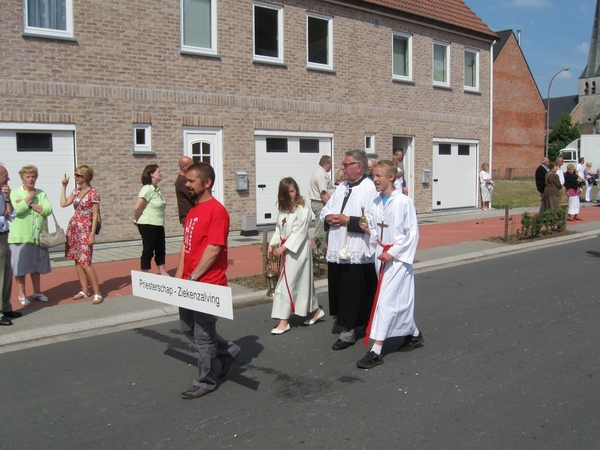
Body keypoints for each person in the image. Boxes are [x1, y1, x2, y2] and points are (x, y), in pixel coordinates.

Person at [175, 162, 241, 399]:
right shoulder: (193, 211)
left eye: (192, 180)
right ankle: (228, 351)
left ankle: (205, 380)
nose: (187, 184)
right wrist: (180, 277)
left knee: (203, 335)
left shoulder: (217, 211)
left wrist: (193, 278)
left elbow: (213, 249)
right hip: (189, 282)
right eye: (187, 180)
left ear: (207, 182)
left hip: (208, 284)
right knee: (186, 327)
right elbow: (186, 246)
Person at [356, 160, 422, 369]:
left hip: (398, 260)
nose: (374, 180)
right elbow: (378, 231)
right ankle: (414, 334)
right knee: (397, 301)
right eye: (373, 176)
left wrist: (392, 252)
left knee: (384, 301)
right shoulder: (376, 202)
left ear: (391, 177)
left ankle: (376, 350)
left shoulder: (403, 202)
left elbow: (411, 233)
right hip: (381, 256)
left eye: (378, 176)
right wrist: (369, 231)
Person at [321, 150, 378, 351]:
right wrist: (328, 218)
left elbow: (373, 220)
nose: (342, 168)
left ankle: (349, 331)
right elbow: (327, 208)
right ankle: (347, 322)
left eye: (346, 165)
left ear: (359, 167)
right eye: (343, 165)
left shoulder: (370, 188)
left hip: (357, 248)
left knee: (353, 291)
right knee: (340, 288)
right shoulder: (342, 187)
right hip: (338, 245)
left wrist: (348, 221)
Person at [268, 177, 322, 335]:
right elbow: (279, 228)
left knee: (287, 284)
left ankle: (284, 321)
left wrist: (284, 247)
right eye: (287, 192)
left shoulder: (303, 208)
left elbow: (300, 231)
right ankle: (315, 311)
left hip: (297, 250)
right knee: (300, 282)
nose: (291, 194)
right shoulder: (283, 208)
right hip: (286, 249)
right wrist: (272, 244)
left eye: (292, 191)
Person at [8, 165, 52, 306]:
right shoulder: (15, 193)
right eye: (28, 176)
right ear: (22, 178)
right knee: (20, 267)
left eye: (33, 176)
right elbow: (17, 210)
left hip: (37, 236)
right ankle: (22, 294)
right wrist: (30, 197)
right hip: (20, 237)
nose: (31, 179)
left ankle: (37, 292)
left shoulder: (41, 193)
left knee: (36, 266)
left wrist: (30, 203)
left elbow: (47, 210)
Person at [60, 165, 103, 305]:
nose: (75, 177)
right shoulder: (76, 190)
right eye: (75, 174)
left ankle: (98, 293)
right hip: (74, 229)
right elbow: (63, 203)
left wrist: (92, 233)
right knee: (77, 261)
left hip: (85, 229)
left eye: (78, 175)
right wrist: (63, 187)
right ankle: (85, 290)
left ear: (85, 177)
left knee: (85, 262)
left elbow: (95, 215)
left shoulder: (93, 193)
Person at [133, 164, 168, 276]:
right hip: (148, 224)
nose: (161, 173)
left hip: (158, 224)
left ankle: (163, 272)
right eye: (158, 171)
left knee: (160, 249)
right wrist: (137, 220)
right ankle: (145, 274)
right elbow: (138, 208)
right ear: (151, 174)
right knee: (148, 249)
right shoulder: (147, 189)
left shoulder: (157, 190)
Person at [0, 165, 18, 325]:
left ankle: (6, 307)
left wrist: (7, 198)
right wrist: (3, 216)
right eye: (5, 176)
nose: (8, 179)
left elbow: (12, 214)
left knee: (6, 272)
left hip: (4, 236)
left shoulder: (3, 192)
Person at [308, 156, 334, 249]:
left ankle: (321, 253)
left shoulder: (320, 173)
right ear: (327, 164)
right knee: (321, 230)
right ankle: (318, 255)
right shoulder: (320, 175)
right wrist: (331, 206)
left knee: (324, 230)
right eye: (330, 164)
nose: (331, 166)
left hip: (321, 203)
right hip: (320, 204)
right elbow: (323, 193)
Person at [174, 156, 195, 225]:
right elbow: (193, 197)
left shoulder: (186, 179)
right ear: (183, 167)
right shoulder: (182, 181)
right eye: (191, 165)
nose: (193, 167)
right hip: (188, 216)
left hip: (193, 216)